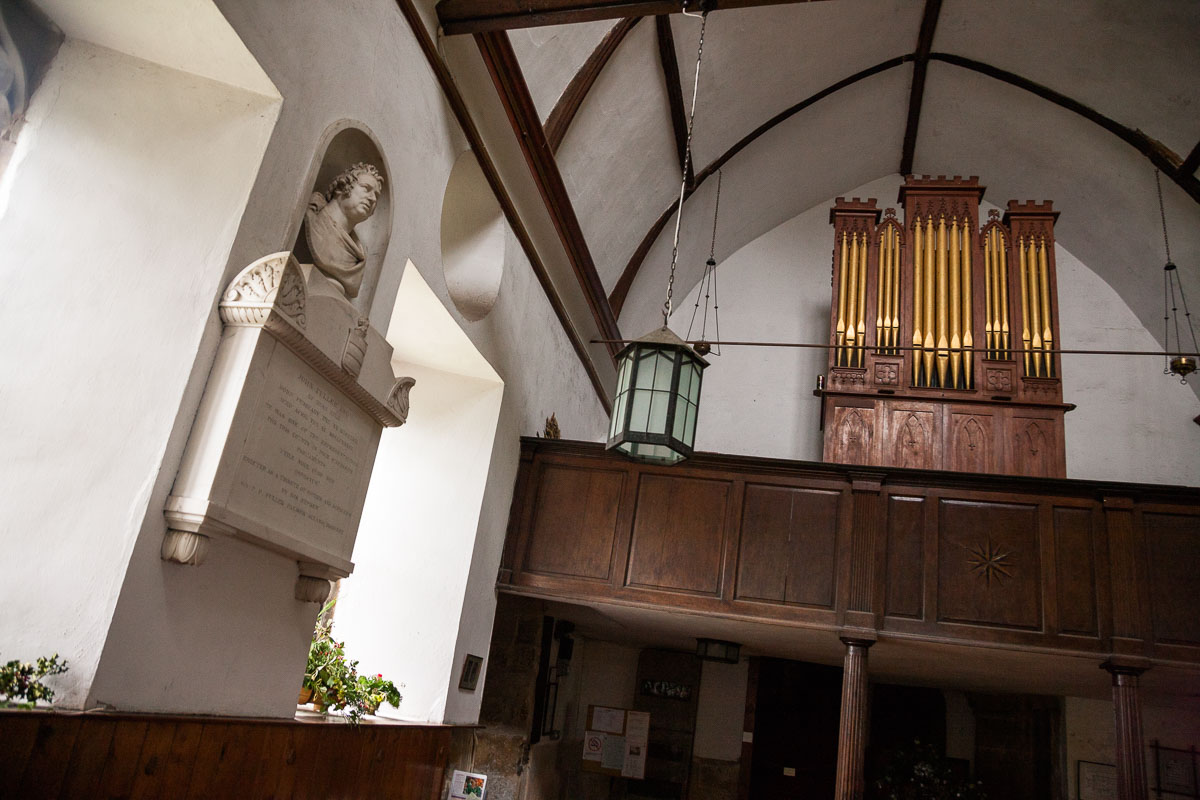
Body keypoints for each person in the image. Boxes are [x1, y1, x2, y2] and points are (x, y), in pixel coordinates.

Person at [303, 162, 384, 298]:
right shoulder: (313, 222)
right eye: (366, 188)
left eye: (376, 195)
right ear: (342, 187)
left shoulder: (356, 259)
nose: (372, 199)